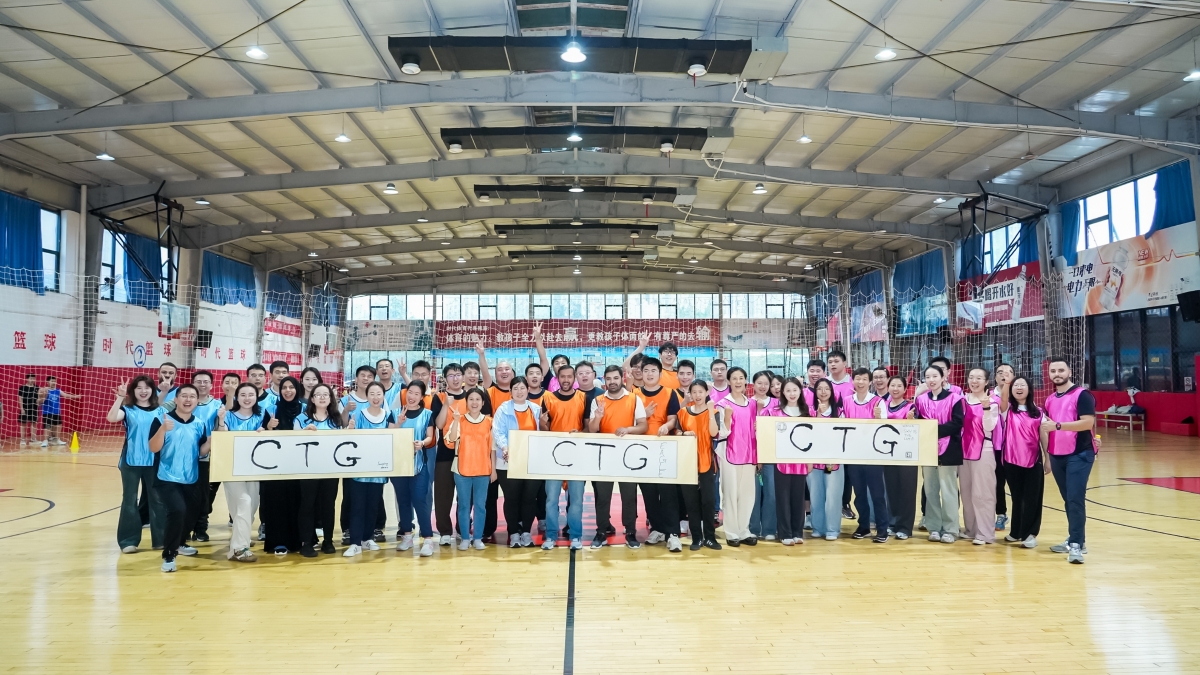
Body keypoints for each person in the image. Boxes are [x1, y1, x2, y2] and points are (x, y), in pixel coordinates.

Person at [148, 384, 210, 573]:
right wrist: (163, 430)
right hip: (166, 477)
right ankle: (169, 555)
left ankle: (180, 543)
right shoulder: (162, 419)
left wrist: (212, 440)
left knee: (191, 514)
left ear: (197, 401)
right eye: (184, 396)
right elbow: (153, 448)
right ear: (176, 399)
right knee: (177, 510)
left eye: (192, 396)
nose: (188, 399)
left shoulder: (199, 423)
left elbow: (201, 452)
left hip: (191, 477)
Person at [1042, 357, 1097, 564]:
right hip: (1057, 455)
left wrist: (1058, 426)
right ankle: (1077, 539)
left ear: (1070, 372)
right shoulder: (1050, 399)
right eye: (1053, 371)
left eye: (1061, 370)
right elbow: (1046, 427)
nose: (1057, 374)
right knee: (1068, 499)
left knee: (1075, 499)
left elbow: (1087, 423)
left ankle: (1076, 545)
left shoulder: (1082, 395)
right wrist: (1047, 455)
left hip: (1079, 454)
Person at [588, 365, 649, 549]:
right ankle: (601, 532)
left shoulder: (634, 399)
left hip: (628, 455)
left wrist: (628, 429)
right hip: (604, 455)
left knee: (629, 496)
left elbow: (643, 426)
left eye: (615, 378)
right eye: (609, 379)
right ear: (604, 380)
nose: (612, 382)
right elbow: (592, 430)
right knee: (602, 497)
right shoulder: (598, 400)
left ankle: (630, 532)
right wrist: (598, 417)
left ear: (622, 379)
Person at [215, 382, 274, 562]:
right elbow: (221, 438)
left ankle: (241, 538)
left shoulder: (262, 415)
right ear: (237, 397)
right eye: (243, 395)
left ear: (257, 397)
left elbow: (270, 438)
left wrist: (267, 430)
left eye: (251, 395)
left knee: (251, 505)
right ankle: (239, 549)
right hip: (231, 467)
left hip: (254, 468)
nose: (247, 398)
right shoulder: (227, 415)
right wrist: (221, 421)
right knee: (244, 502)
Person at [107, 375, 165, 553]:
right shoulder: (128, 409)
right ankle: (128, 541)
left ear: (152, 390)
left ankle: (161, 540)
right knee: (129, 499)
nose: (143, 391)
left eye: (147, 387)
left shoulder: (160, 411)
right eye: (139, 387)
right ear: (133, 391)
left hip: (154, 461)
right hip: (131, 462)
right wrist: (120, 397)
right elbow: (112, 418)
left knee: (158, 500)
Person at [343, 381, 396, 557]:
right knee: (357, 506)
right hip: (360, 469)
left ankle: (367, 538)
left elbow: (392, 438)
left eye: (378, 394)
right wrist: (350, 429)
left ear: (383, 396)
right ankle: (355, 542)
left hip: (378, 470)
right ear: (367, 396)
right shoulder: (358, 415)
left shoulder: (388, 415)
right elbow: (351, 441)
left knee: (373, 505)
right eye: (372, 394)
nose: (375, 397)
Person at [637, 357, 684, 552]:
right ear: (641, 373)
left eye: (653, 370)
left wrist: (667, 425)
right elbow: (630, 420)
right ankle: (657, 528)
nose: (649, 374)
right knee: (648, 492)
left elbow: (674, 418)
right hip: (641, 450)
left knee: (668, 492)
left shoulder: (670, 393)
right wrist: (644, 415)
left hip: (664, 448)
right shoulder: (634, 395)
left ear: (660, 373)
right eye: (646, 370)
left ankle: (673, 533)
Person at [914, 364, 965, 545]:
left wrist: (933, 430)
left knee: (948, 489)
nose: (931, 380)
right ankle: (934, 526)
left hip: (950, 449)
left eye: (935, 376)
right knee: (930, 489)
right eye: (928, 377)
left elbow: (957, 423)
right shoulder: (921, 400)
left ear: (944, 378)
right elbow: (918, 423)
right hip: (928, 449)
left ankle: (951, 528)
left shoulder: (955, 398)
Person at [540, 364, 588, 551]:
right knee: (551, 500)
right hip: (553, 457)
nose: (566, 380)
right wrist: (542, 424)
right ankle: (551, 535)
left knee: (576, 500)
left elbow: (588, 428)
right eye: (563, 376)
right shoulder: (548, 398)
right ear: (557, 378)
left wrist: (580, 433)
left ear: (574, 378)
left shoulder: (583, 397)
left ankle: (575, 535)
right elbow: (544, 429)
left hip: (577, 457)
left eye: (569, 376)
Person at [493, 376, 542, 547]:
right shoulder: (503, 409)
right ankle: (513, 533)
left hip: (531, 462)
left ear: (528, 390)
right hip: (507, 461)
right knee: (512, 498)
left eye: (522, 388)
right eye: (515, 388)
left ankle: (526, 532)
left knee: (529, 498)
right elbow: (498, 431)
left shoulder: (536, 409)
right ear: (510, 391)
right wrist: (505, 447)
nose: (519, 392)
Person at [294, 384, 342, 556]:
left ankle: (328, 541)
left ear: (330, 398)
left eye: (326, 394)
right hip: (308, 469)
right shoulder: (301, 419)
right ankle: (307, 542)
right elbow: (293, 443)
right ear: (312, 399)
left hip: (330, 470)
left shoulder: (336, 419)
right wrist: (303, 433)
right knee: (307, 504)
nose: (322, 397)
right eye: (318, 394)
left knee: (328, 505)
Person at [445, 388, 496, 551]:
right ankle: (465, 538)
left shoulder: (489, 422)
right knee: (463, 506)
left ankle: (478, 538)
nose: (474, 402)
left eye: (477, 399)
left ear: (483, 402)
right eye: (471, 399)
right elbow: (451, 439)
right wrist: (455, 421)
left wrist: (493, 470)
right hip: (462, 470)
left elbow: (492, 448)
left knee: (480, 506)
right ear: (466, 402)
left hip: (483, 469)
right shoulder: (459, 419)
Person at [998, 375, 1045, 549]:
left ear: (1029, 389)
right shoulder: (1008, 410)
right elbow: (1003, 398)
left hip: (1034, 461)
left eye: (1022, 385)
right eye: (1015, 385)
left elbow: (1043, 436)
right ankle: (1016, 532)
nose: (1019, 388)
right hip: (1011, 461)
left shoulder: (1039, 412)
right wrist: (1007, 382)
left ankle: (1030, 534)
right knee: (1017, 497)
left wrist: (1048, 459)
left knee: (1032, 498)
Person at [843, 368, 889, 543]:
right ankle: (863, 526)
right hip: (854, 455)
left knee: (877, 494)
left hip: (873, 455)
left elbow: (884, 429)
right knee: (859, 494)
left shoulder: (878, 402)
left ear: (870, 382)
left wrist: (879, 418)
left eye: (864, 379)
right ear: (853, 381)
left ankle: (882, 529)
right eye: (857, 378)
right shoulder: (846, 401)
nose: (860, 382)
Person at [390, 381, 435, 557]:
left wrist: (422, 443)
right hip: (399, 464)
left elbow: (430, 437)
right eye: (410, 392)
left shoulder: (427, 414)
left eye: (417, 394)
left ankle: (428, 539)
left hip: (418, 464)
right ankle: (407, 536)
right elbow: (389, 435)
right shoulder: (395, 413)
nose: (412, 396)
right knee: (403, 500)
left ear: (422, 397)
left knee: (419, 499)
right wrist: (398, 423)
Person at [261, 376, 305, 554]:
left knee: (297, 502)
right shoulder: (271, 409)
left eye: (291, 387)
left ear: (297, 389)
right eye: (284, 387)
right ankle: (278, 542)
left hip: (299, 464)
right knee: (276, 502)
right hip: (275, 465)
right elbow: (261, 435)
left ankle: (297, 541)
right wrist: (268, 427)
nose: (288, 391)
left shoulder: (305, 409)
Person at [716, 367, 758, 547]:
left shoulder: (752, 404)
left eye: (741, 378)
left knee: (747, 494)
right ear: (729, 381)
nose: (738, 381)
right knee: (730, 493)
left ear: (746, 381)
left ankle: (744, 530)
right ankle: (732, 532)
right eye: (734, 378)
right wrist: (727, 417)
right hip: (729, 454)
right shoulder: (722, 404)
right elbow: (720, 432)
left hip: (749, 454)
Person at [677, 380, 721, 550]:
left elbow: (714, 433)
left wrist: (710, 411)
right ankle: (696, 538)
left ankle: (710, 537)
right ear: (690, 394)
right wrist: (684, 433)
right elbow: (677, 432)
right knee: (691, 502)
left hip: (707, 462)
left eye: (700, 392)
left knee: (708, 501)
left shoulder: (714, 412)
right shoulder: (683, 412)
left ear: (706, 393)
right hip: (688, 463)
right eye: (694, 392)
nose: (697, 395)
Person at [960, 367, 999, 546]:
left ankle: (985, 533)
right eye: (971, 377)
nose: (974, 381)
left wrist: (986, 408)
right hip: (963, 453)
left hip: (983, 451)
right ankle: (971, 530)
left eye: (978, 378)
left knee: (983, 494)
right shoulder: (961, 400)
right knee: (967, 493)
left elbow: (989, 427)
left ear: (986, 382)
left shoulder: (992, 402)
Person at [432, 363, 470, 545]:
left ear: (463, 377)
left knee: (465, 496)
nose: (455, 378)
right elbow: (439, 425)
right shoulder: (439, 397)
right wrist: (446, 405)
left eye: (458, 374)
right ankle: (445, 532)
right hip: (445, 454)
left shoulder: (471, 396)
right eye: (451, 375)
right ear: (445, 378)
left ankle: (463, 529)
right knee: (443, 495)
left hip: (467, 453)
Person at [772, 378, 810, 546]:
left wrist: (810, 461)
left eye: (795, 390)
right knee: (783, 498)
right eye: (788, 390)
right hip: (781, 462)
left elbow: (812, 438)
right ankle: (785, 533)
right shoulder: (774, 412)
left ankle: (797, 532)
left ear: (800, 391)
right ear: (783, 393)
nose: (792, 394)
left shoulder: (807, 411)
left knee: (798, 498)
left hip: (801, 462)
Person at [187, 371, 224, 542]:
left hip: (207, 456)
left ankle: (201, 528)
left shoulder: (217, 405)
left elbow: (221, 428)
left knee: (204, 495)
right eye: (198, 381)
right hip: (186, 455)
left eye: (206, 381)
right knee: (187, 494)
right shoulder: (185, 402)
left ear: (211, 385)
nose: (202, 384)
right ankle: (185, 528)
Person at [805, 379, 844, 541]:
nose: (823, 392)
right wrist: (818, 414)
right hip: (814, 462)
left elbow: (842, 436)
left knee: (832, 496)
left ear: (832, 392)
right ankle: (818, 527)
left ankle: (832, 529)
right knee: (816, 496)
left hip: (831, 462)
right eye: (819, 388)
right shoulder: (809, 411)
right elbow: (809, 434)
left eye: (826, 388)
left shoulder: (839, 411)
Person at [881, 376, 918, 539]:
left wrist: (912, 421)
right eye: (892, 385)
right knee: (891, 490)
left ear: (905, 389)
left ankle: (905, 527)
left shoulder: (911, 407)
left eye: (899, 386)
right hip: (888, 454)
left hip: (907, 455)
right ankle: (892, 523)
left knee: (907, 491)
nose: (895, 389)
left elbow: (917, 429)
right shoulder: (882, 406)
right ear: (888, 387)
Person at [748, 370, 778, 542]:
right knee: (753, 494)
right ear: (753, 384)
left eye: (766, 383)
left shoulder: (776, 403)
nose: (763, 386)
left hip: (771, 456)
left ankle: (769, 529)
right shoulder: (746, 403)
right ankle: (753, 528)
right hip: (751, 456)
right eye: (759, 383)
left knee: (771, 493)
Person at [992, 363, 1015, 532]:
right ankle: (1001, 513)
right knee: (997, 483)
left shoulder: (1020, 394)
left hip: (1015, 447)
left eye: (1008, 372)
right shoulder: (988, 396)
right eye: (1000, 372)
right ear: (995, 377)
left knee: (1015, 484)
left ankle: (1020, 519)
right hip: (995, 447)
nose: (1004, 375)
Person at [37, 375, 81, 447]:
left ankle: (57, 439)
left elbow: (66, 395)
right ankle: (45, 440)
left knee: (58, 425)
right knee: (47, 426)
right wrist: (41, 398)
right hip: (47, 412)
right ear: (47, 382)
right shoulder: (44, 390)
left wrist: (75, 396)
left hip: (56, 412)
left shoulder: (58, 390)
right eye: (52, 381)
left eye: (55, 381)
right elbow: (39, 401)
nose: (54, 383)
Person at [18, 373, 39, 447]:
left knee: (34, 423)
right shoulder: (22, 388)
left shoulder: (37, 387)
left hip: (34, 408)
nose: (32, 380)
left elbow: (39, 397)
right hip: (25, 408)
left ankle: (33, 439)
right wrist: (22, 408)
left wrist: (39, 402)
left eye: (34, 378)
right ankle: (22, 439)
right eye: (31, 378)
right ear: (27, 379)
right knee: (23, 424)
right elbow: (20, 398)